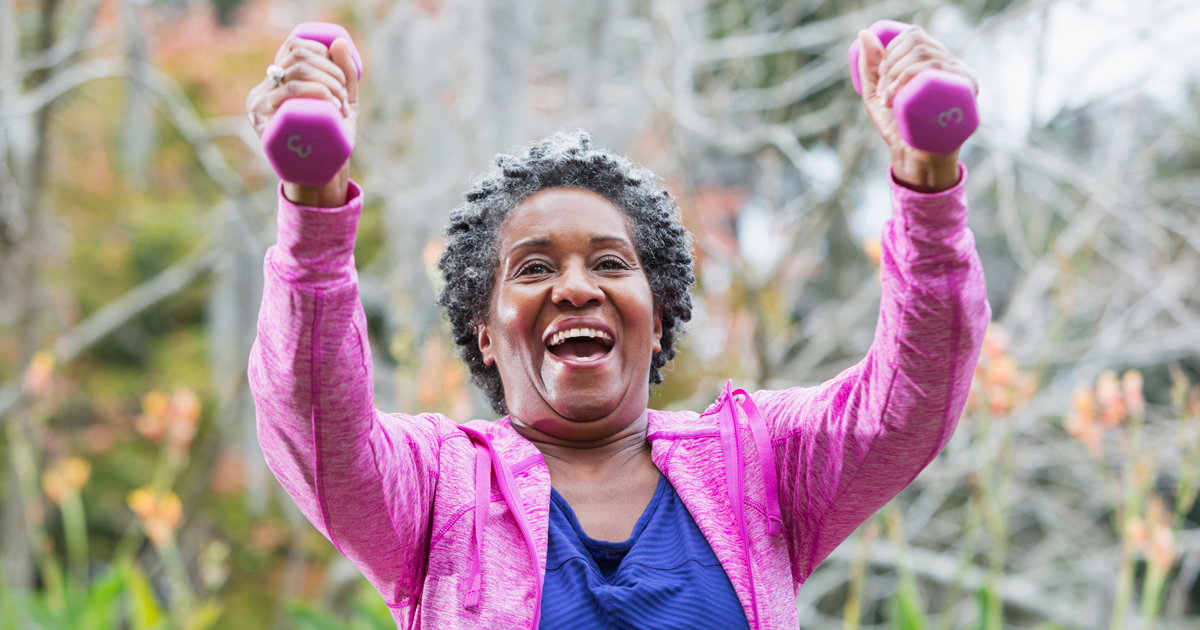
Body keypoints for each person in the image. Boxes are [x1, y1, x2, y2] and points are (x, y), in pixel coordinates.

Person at [245, 25, 989, 630]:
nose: (575, 287)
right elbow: (316, 428)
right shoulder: (439, 489)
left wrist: (927, 182)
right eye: (533, 268)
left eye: (609, 262)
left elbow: (908, 401)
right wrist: (313, 207)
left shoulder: (758, 467)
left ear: (657, 315)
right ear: (483, 330)